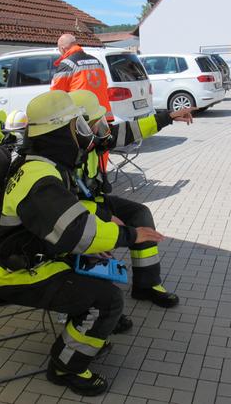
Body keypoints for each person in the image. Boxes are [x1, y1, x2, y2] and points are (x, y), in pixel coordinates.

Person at [0, 90, 164, 396]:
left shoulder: (40, 165)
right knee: (107, 301)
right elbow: (76, 231)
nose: (81, 134)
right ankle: (65, 366)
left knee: (100, 274)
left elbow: (66, 220)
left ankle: (86, 334)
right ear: (58, 132)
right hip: (16, 274)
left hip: (32, 259)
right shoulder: (39, 178)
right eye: (76, 127)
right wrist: (131, 235)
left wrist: (96, 241)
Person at [69, 90, 193, 308]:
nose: (102, 127)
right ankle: (98, 304)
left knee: (140, 213)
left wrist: (168, 117)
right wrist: (105, 216)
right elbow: (65, 203)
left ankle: (147, 285)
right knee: (95, 241)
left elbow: (129, 130)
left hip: (95, 202)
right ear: (80, 125)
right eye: (97, 122)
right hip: (77, 213)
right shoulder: (62, 155)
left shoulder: (92, 140)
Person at [50, 33, 112, 121]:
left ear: (63, 49)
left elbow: (56, 93)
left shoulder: (67, 64)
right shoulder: (97, 61)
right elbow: (104, 85)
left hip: (84, 117)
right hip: (102, 114)